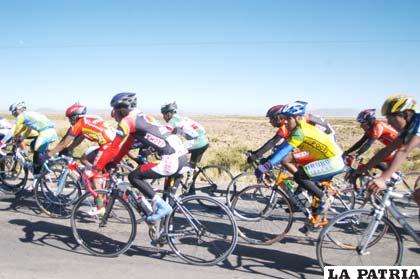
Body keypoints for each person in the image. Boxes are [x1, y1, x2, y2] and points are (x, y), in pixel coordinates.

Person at [89, 93, 188, 222]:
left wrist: (96, 168)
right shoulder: (141, 116)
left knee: (134, 176)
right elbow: (127, 146)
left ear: (122, 109)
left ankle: (161, 206)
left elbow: (114, 147)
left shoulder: (127, 121)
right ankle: (166, 233)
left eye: (115, 109)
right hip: (181, 155)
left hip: (171, 159)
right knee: (166, 195)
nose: (113, 113)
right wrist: (115, 162)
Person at [254, 101, 346, 226]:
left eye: (288, 119)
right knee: (290, 163)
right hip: (322, 156)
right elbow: (282, 150)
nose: (285, 122)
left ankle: (325, 198)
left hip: (332, 161)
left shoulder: (300, 131)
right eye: (284, 118)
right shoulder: (298, 128)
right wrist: (267, 160)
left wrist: (266, 166)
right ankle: (314, 219)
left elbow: (284, 150)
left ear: (297, 118)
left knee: (300, 176)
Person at [362, 96, 420, 206]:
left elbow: (404, 150)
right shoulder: (408, 127)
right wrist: (365, 167)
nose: (388, 122)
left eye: (391, 117)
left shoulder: (419, 121)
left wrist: (383, 178)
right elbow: (388, 149)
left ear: (406, 114)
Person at [247, 104, 336, 173]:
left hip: (326, 144)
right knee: (293, 159)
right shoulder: (293, 121)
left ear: (278, 118)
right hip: (326, 140)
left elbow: (272, 142)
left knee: (288, 160)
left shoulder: (288, 125)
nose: (270, 121)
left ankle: (311, 186)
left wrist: (256, 156)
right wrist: (266, 158)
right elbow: (285, 144)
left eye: (271, 119)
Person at [0, 102, 57, 180]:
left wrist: (2, 142)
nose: (13, 114)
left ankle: (37, 178)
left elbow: (12, 130)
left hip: (45, 133)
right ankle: (42, 170)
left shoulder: (21, 116)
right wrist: (22, 138)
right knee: (35, 148)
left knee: (37, 152)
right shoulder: (28, 115)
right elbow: (28, 129)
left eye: (13, 111)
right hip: (50, 132)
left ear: (18, 110)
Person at [161, 102, 209, 193]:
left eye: (164, 114)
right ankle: (191, 188)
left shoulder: (173, 121)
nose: (163, 117)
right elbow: (171, 134)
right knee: (191, 165)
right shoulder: (179, 118)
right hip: (203, 140)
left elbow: (165, 134)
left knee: (176, 155)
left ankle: (181, 179)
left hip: (197, 141)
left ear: (169, 113)